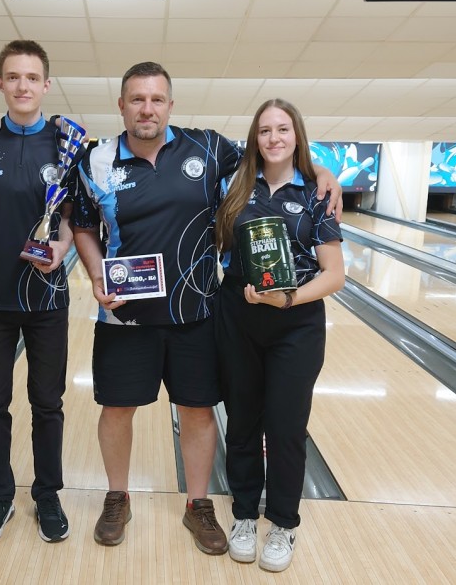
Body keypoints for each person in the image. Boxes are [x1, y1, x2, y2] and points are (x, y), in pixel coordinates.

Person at [72, 62, 342, 555]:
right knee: (116, 408)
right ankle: (117, 497)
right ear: (122, 105)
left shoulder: (209, 148)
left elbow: (274, 157)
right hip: (125, 314)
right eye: (137, 99)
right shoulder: (96, 160)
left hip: (196, 313)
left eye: (157, 99)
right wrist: (94, 274)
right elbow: (84, 226)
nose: (147, 109)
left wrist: (322, 172)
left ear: (170, 105)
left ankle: (198, 505)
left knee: (197, 410)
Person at [214, 98, 345, 572]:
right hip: (238, 316)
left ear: (296, 136)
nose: (274, 138)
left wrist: (289, 299)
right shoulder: (233, 185)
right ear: (255, 137)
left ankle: (284, 524)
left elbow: (335, 274)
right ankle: (244, 516)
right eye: (265, 130)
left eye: (283, 129)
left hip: (296, 322)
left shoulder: (316, 193)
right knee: (242, 423)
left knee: (286, 428)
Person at [0, 40, 78, 544]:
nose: (22, 85)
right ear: (0, 83)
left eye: (31, 77)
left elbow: (72, 218)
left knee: (48, 402)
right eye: (13, 76)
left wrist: (62, 249)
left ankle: (47, 494)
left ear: (46, 84)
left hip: (46, 296)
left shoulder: (68, 143)